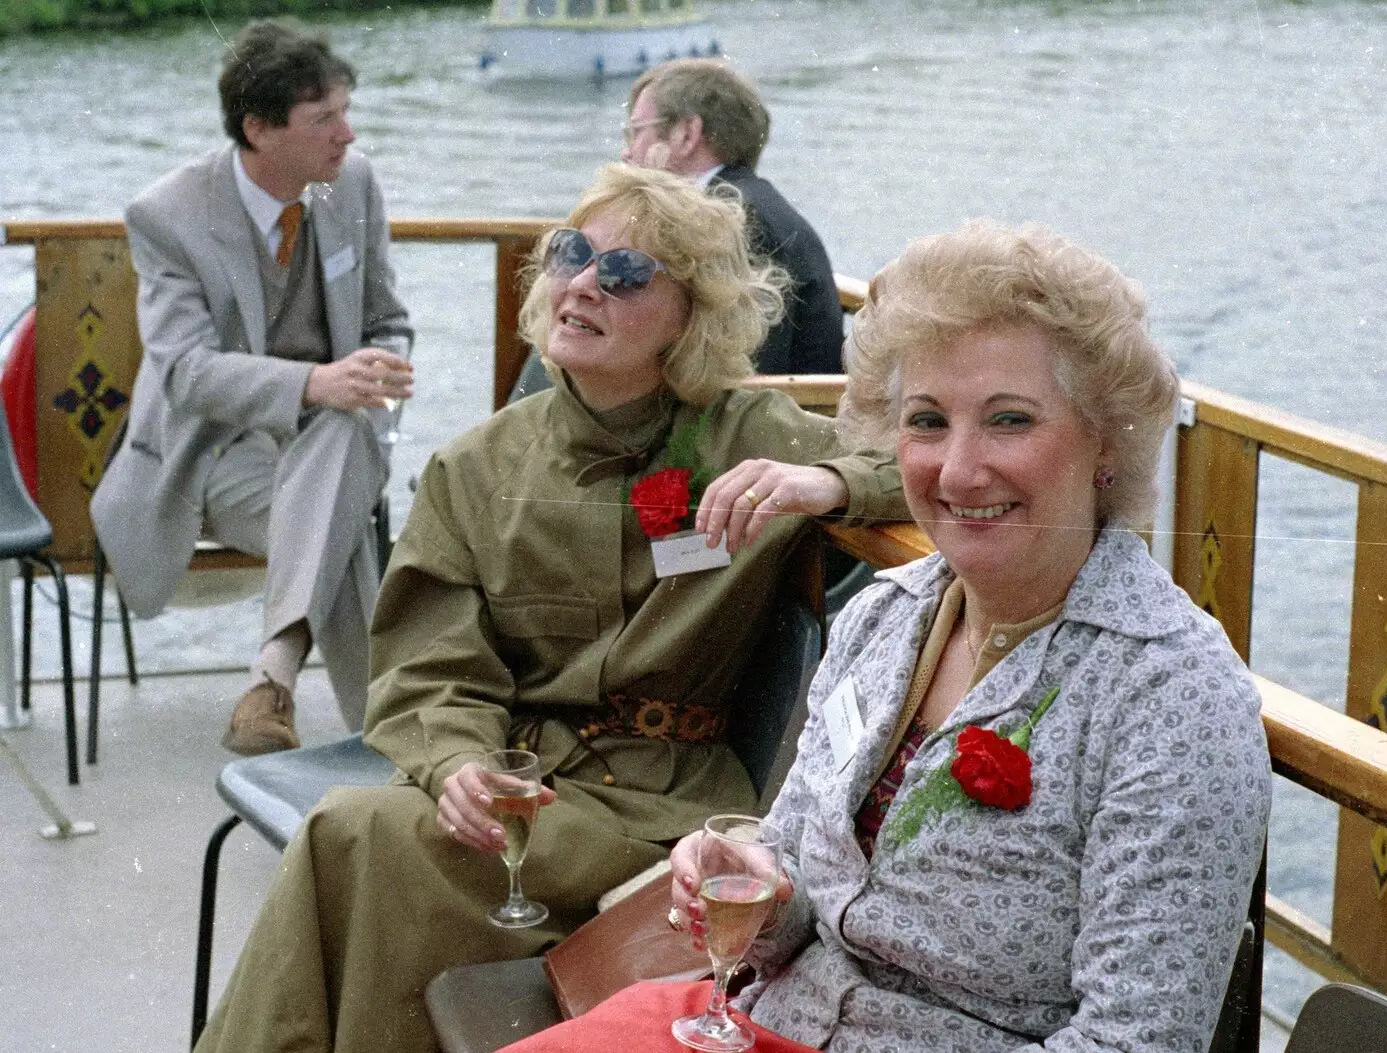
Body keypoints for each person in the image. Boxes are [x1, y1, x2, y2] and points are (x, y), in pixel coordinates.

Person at [505, 221, 1272, 1053]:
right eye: (928, 421)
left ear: (1106, 443)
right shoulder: (886, 614)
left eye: (1010, 420)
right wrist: (761, 896)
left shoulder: (1172, 696)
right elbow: (800, 901)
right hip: (762, 1022)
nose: (958, 469)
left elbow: (1138, 1044)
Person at [191, 163, 906, 1053]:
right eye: (572, 255)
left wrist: (827, 478)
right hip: (523, 783)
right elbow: (430, 665)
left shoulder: (745, 436)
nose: (581, 284)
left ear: (693, 313)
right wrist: (452, 760)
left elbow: (919, 469)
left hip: (664, 804)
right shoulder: (478, 466)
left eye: (627, 273)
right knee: (361, 837)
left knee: (361, 840)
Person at [90, 19, 413, 752]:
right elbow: (184, 370)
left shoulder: (352, 184)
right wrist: (318, 381)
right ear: (260, 129)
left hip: (335, 434)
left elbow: (389, 319)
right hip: (212, 455)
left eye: (345, 111)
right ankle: (390, 744)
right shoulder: (168, 213)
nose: (348, 135)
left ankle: (273, 683)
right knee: (342, 522)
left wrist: (382, 368)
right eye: (324, 118)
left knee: (343, 438)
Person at [513, 58, 843, 402]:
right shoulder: (758, 205)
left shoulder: (728, 225)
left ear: (686, 135)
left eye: (636, 132)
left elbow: (734, 367)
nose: (627, 152)